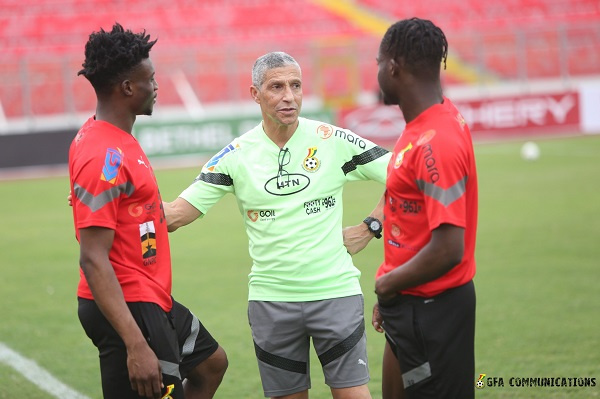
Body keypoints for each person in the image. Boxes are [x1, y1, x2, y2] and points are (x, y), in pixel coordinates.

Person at [164, 51, 391, 399]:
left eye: (295, 85)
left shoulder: (333, 140)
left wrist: (372, 224)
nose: (289, 96)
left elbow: (407, 174)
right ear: (256, 94)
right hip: (272, 303)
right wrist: (110, 201)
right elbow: (175, 215)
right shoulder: (236, 155)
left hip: (335, 293)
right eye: (277, 87)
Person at [68, 23, 227, 399]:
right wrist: (136, 345)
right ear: (127, 88)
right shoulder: (103, 155)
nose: (156, 86)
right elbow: (92, 257)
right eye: (150, 79)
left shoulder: (114, 139)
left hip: (151, 294)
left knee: (210, 364)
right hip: (129, 303)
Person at [372, 18, 479, 398]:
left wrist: (387, 284)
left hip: (434, 311)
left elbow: (449, 248)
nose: (377, 74)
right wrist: (393, 289)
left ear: (395, 67)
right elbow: (409, 208)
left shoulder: (437, 142)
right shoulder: (425, 124)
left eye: (379, 63)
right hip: (410, 303)